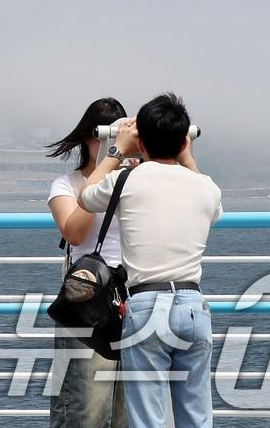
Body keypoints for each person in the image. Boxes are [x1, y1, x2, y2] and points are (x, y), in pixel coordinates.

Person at [79, 93, 222, 428]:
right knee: (198, 418)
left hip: (145, 306)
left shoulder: (127, 180)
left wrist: (116, 150)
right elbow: (213, 206)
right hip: (192, 305)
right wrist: (188, 156)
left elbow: (86, 196)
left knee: (148, 420)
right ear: (183, 139)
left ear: (140, 141)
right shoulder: (205, 188)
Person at [45, 98, 131, 428]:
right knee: (83, 407)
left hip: (130, 301)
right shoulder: (66, 185)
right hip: (87, 302)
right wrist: (105, 170)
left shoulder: (136, 180)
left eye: (116, 134)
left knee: (129, 410)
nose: (108, 143)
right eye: (102, 136)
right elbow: (76, 233)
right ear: (87, 136)